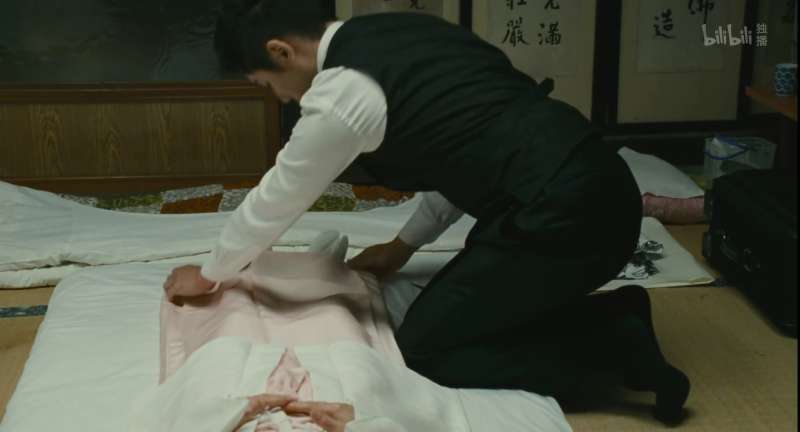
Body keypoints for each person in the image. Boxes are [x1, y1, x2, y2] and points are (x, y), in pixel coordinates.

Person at [163, 0, 691, 425]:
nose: (280, 99)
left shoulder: (342, 91)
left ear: (281, 52)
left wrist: (211, 273)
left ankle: (615, 348)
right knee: (461, 316)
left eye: (265, 84)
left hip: (564, 217)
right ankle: (618, 315)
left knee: (426, 355)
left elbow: (280, 194)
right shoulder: (408, 31)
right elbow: (467, 153)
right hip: (599, 186)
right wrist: (403, 246)